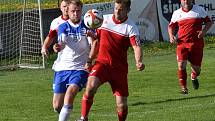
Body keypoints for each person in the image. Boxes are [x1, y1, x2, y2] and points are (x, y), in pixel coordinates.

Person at [76, 0, 145, 121]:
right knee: (90, 87)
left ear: (128, 10)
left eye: (121, 9)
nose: (117, 11)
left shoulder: (131, 27)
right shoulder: (103, 20)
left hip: (119, 69)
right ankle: (83, 118)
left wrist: (138, 61)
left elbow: (136, 46)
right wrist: (89, 60)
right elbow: (96, 41)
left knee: (122, 106)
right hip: (102, 64)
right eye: (116, 8)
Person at [42, 0, 97, 121]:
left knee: (70, 93)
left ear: (81, 10)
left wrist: (89, 61)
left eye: (78, 11)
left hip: (80, 68)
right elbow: (61, 42)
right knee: (57, 106)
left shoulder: (87, 26)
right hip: (62, 68)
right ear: (68, 11)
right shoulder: (63, 26)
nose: (75, 14)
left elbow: (95, 46)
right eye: (73, 11)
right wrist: (56, 47)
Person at [168, 0, 213, 94]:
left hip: (196, 44)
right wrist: (171, 36)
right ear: (181, 1)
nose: (186, 1)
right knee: (181, 65)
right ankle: (184, 88)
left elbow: (209, 22)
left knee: (197, 69)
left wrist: (203, 32)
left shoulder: (199, 10)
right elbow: (171, 26)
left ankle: (194, 76)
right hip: (182, 43)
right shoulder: (177, 13)